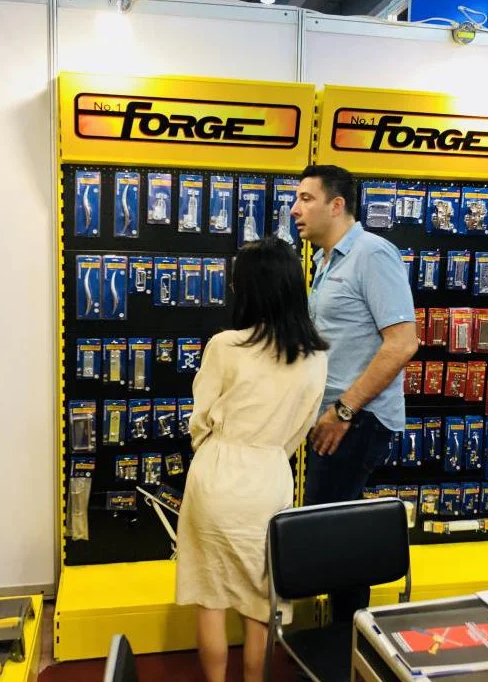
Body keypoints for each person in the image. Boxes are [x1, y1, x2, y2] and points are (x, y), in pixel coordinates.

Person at [175, 237, 329, 682]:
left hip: (218, 473)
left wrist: (214, 447)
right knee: (262, 604)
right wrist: (271, 451)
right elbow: (302, 426)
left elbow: (200, 418)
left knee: (210, 597)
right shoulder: (316, 356)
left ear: (249, 289)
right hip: (270, 477)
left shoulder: (226, 346)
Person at [290, 164, 419, 622]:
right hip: (335, 416)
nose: (295, 209)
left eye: (306, 198)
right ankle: (342, 634)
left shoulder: (372, 254)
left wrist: (344, 410)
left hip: (356, 419)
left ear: (337, 205)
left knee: (337, 535)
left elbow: (402, 343)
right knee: (332, 531)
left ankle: (346, 640)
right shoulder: (327, 261)